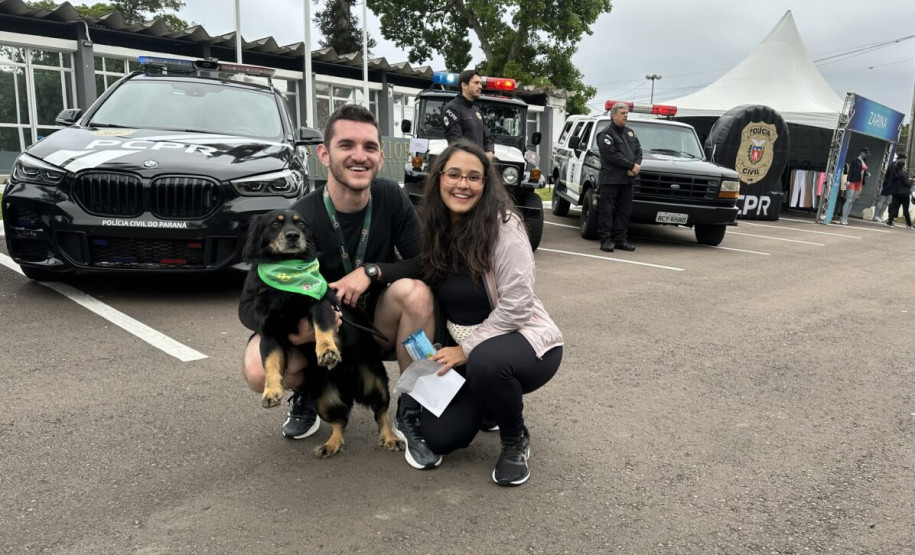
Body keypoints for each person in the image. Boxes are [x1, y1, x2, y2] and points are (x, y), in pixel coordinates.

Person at [239, 104, 442, 470]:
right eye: (346, 145)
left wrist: (372, 271)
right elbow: (247, 306)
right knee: (257, 367)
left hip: (374, 328)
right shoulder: (301, 217)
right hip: (319, 336)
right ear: (324, 154)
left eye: (369, 147)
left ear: (381, 155)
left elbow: (426, 263)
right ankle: (305, 394)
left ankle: (412, 412)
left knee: (417, 292)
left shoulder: (391, 198)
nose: (359, 156)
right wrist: (296, 331)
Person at [415, 139, 564, 486]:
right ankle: (489, 404)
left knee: (486, 363)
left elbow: (517, 305)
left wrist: (465, 350)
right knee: (441, 438)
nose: (463, 184)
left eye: (474, 177)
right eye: (454, 174)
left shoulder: (504, 226)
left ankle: (515, 439)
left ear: (485, 184)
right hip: (462, 350)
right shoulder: (435, 226)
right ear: (439, 178)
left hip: (520, 341)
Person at [596, 102, 642, 252]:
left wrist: (636, 166)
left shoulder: (630, 133)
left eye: (627, 113)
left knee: (624, 210)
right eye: (623, 113)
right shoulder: (606, 134)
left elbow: (639, 151)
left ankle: (621, 240)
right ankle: (605, 240)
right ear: (614, 115)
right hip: (611, 180)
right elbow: (611, 156)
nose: (626, 116)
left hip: (627, 180)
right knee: (607, 211)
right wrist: (631, 166)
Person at [441, 69, 495, 161]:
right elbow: (457, 141)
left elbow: (488, 136)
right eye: (476, 83)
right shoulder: (452, 109)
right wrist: (479, 156)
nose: (480, 86)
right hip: (461, 165)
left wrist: (490, 151)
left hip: (479, 165)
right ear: (464, 85)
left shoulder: (477, 110)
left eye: (480, 83)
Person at [840, 147, 869, 226]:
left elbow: (863, 171)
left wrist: (866, 174)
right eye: (866, 153)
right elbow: (851, 171)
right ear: (862, 152)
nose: (866, 155)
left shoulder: (864, 161)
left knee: (852, 201)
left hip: (860, 182)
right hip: (853, 181)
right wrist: (848, 180)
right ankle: (843, 218)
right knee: (848, 200)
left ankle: (846, 217)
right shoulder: (855, 160)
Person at [884, 155, 912, 228]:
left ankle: (889, 222)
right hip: (904, 193)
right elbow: (907, 184)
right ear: (903, 165)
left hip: (895, 192)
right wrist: (911, 181)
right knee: (905, 208)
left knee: (894, 207)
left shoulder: (895, 172)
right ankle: (909, 224)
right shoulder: (903, 173)